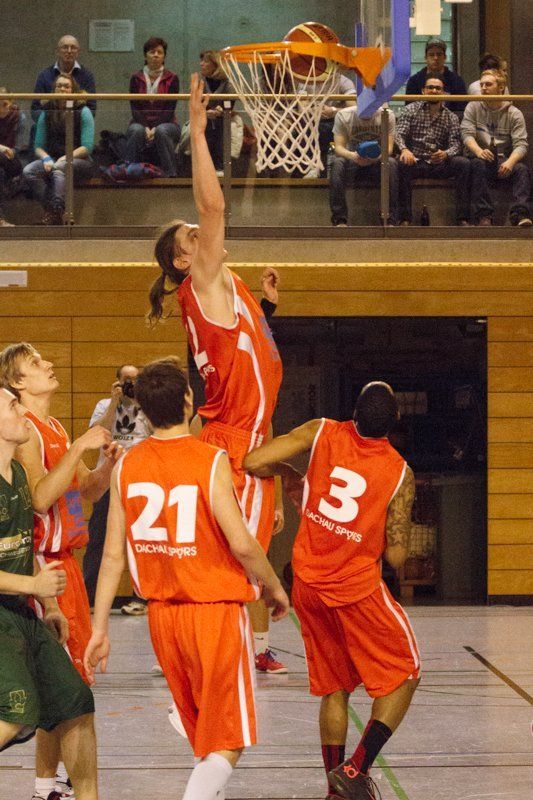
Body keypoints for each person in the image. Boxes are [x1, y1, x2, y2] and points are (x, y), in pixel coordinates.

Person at [84, 357, 289, 800]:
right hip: (213, 613)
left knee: (205, 739)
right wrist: (274, 586)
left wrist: (99, 627)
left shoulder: (126, 466)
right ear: (189, 402)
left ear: (142, 410)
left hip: (163, 620)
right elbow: (242, 543)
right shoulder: (210, 460)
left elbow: (113, 556)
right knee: (228, 740)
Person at [148, 74, 287, 674]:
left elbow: (247, 360)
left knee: (240, 561)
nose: (203, 235)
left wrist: (268, 309)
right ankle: (207, 657)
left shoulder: (226, 288)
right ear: (185, 257)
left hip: (247, 435)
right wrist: (201, 133)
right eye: (192, 237)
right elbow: (213, 205)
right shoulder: (201, 280)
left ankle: (221, 652)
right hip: (237, 442)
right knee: (237, 565)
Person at [244, 382, 420, 800]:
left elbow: (254, 461)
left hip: (308, 585)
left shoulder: (322, 430)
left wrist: (293, 477)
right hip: (355, 589)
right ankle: (356, 769)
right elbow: (396, 557)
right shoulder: (399, 472)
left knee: (335, 688)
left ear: (353, 413)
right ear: (395, 422)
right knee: (407, 672)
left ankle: (335, 792)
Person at [0, 342, 120, 800]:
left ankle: (48, 788)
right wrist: (78, 449)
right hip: (40, 568)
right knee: (60, 696)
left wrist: (106, 464)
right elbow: (40, 499)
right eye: (36, 363)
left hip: (60, 565)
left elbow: (84, 490)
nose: (48, 364)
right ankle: (53, 787)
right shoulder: (27, 433)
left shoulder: (52, 428)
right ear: (17, 383)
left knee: (65, 694)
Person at [83, 364, 151, 610]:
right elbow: (95, 434)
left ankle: (141, 597)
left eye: (135, 380)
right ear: (118, 382)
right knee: (98, 537)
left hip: (140, 480)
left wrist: (143, 403)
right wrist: (115, 402)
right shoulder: (105, 404)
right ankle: (89, 597)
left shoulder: (148, 406)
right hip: (109, 479)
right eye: (127, 380)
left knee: (141, 538)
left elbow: (159, 434)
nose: (131, 384)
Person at [395, 73, 471, 226]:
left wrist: (446, 154)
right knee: (401, 164)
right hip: (416, 161)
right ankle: (405, 219)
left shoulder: (451, 117)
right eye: (430, 87)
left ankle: (462, 219)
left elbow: (456, 144)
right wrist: (404, 150)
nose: (434, 91)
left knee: (463, 163)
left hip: (439, 163)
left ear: (444, 93)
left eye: (438, 88)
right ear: (423, 91)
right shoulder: (410, 110)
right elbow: (398, 134)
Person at [461, 69, 532, 227]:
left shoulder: (514, 113)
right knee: (477, 164)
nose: (483, 88)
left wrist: (510, 162)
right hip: (480, 157)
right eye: (481, 85)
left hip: (502, 160)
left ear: (501, 87)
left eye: (488, 84)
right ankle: (484, 216)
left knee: (522, 170)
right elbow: (467, 135)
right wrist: (479, 151)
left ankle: (520, 215)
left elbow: (521, 144)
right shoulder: (473, 106)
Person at [23, 73, 94, 225]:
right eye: (59, 86)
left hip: (80, 161)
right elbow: (38, 146)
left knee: (60, 167)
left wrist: (66, 157)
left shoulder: (84, 111)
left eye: (66, 86)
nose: (62, 89)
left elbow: (87, 147)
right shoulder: (46, 112)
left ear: (73, 90)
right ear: (54, 89)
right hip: (53, 159)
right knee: (29, 171)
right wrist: (46, 158)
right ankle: (55, 210)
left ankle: (55, 211)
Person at [328, 103, 398, 226]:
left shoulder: (387, 115)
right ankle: (340, 219)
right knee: (337, 163)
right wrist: (353, 156)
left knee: (391, 163)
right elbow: (338, 148)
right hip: (353, 160)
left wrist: (374, 158)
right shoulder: (344, 115)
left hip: (377, 161)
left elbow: (388, 149)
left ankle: (389, 219)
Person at [126, 37, 181, 177]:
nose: (156, 55)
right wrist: (146, 127)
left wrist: (154, 128)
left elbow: (170, 109)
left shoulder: (172, 78)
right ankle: (129, 174)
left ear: (164, 57)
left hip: (168, 123)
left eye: (159, 52)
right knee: (136, 130)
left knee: (162, 131)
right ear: (145, 56)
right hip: (140, 122)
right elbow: (134, 108)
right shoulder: (135, 77)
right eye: (152, 52)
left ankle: (170, 174)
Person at [296, 73, 356, 178]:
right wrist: (314, 111)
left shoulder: (344, 81)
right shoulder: (305, 80)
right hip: (313, 121)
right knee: (302, 125)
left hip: (334, 121)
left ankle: (328, 168)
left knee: (337, 125)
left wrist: (333, 110)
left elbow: (353, 109)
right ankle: (310, 167)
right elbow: (302, 109)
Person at [32, 35, 96, 121]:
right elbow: (35, 109)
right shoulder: (44, 75)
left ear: (78, 52)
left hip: (77, 127)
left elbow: (92, 109)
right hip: (49, 126)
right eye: (65, 47)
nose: (69, 51)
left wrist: (70, 122)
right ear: (57, 51)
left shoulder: (87, 76)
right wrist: (53, 122)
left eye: (73, 48)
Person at [405, 38, 467, 118]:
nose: (435, 58)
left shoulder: (457, 81)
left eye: (439, 54)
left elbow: (461, 111)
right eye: (431, 54)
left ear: (445, 57)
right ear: (425, 58)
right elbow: (409, 110)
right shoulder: (414, 81)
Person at [198, 50, 234, 175]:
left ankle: (220, 166)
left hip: (223, 119)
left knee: (220, 124)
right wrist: (205, 112)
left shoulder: (228, 83)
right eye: (201, 61)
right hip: (204, 118)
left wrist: (222, 110)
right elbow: (195, 105)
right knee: (206, 124)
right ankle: (205, 166)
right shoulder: (200, 83)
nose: (201, 64)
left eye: (205, 61)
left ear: (216, 65)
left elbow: (230, 105)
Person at [0, 88, 26, 227]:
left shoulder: (19, 117)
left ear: (11, 103)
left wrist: (6, 151)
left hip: (13, 161)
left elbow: (19, 147)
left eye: (4, 104)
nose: (1, 108)